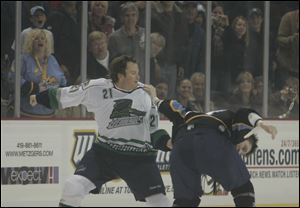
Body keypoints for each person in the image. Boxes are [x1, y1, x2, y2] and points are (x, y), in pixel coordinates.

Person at [28, 55, 172, 207]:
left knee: (159, 202)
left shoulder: (147, 94)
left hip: (139, 158)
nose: (139, 76)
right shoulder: (98, 88)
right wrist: (39, 98)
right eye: (133, 73)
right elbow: (68, 94)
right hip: (105, 153)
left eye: (138, 72)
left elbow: (153, 130)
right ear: (120, 75)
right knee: (73, 187)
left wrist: (167, 142)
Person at [143, 84, 277, 207]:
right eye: (244, 147)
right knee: (243, 188)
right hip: (210, 141)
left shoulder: (190, 114)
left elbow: (173, 106)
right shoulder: (232, 124)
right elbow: (244, 113)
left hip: (180, 150)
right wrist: (260, 123)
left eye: (242, 152)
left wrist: (155, 99)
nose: (239, 151)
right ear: (244, 133)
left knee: (185, 201)